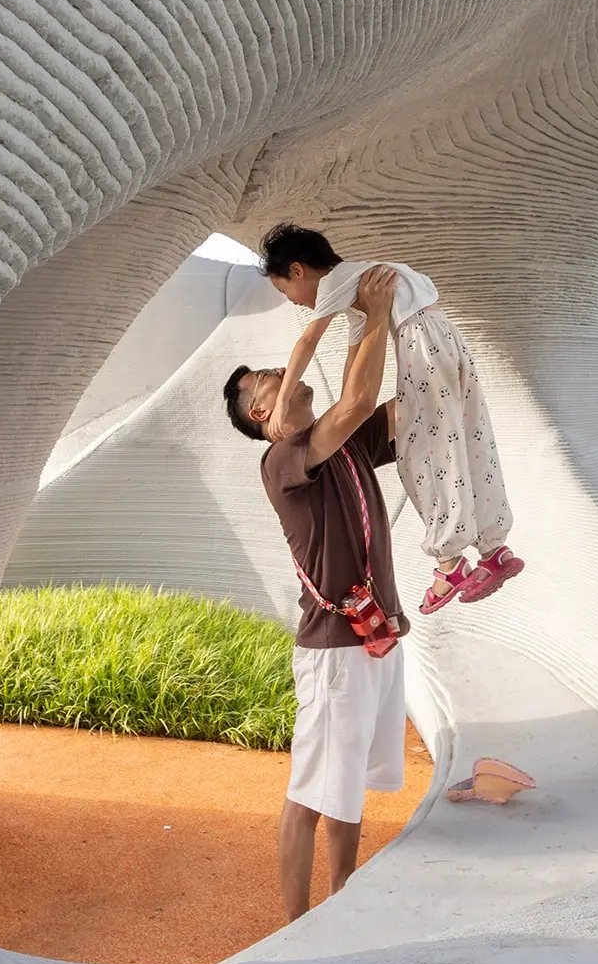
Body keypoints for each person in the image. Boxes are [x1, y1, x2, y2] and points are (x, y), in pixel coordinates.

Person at [221, 266, 406, 923]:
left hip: (375, 638)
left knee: (346, 785)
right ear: (263, 415)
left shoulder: (340, 443)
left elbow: (384, 407)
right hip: (336, 651)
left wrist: (377, 325)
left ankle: (341, 902)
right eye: (263, 381)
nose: (278, 372)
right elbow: (356, 403)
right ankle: (296, 928)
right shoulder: (284, 460)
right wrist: (374, 314)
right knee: (308, 792)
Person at [260, 223, 522, 614]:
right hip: (448, 340)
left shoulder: (335, 281)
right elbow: (355, 363)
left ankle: (449, 562)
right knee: (468, 438)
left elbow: (307, 342)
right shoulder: (362, 283)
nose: (294, 302)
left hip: (422, 347)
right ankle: (494, 549)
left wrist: (282, 403)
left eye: (284, 291)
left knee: (424, 453)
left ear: (298, 270)